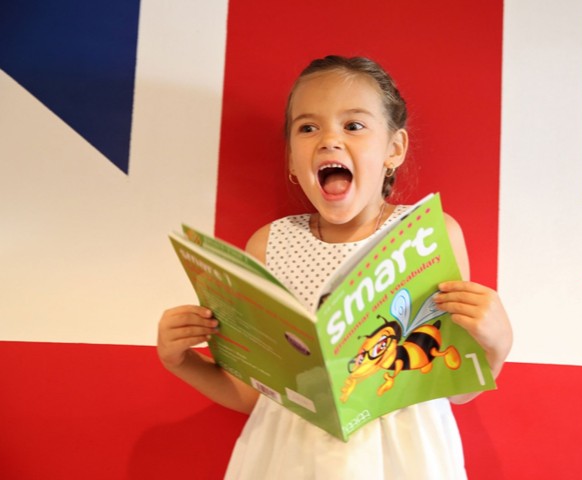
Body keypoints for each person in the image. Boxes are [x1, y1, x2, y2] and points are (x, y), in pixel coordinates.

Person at [157, 55, 513, 479]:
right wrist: (181, 361)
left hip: (404, 457)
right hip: (289, 459)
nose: (329, 140)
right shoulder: (269, 244)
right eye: (308, 128)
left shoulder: (430, 235)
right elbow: (258, 395)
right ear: (292, 160)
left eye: (353, 125)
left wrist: (497, 345)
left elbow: (452, 384)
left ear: (394, 149)